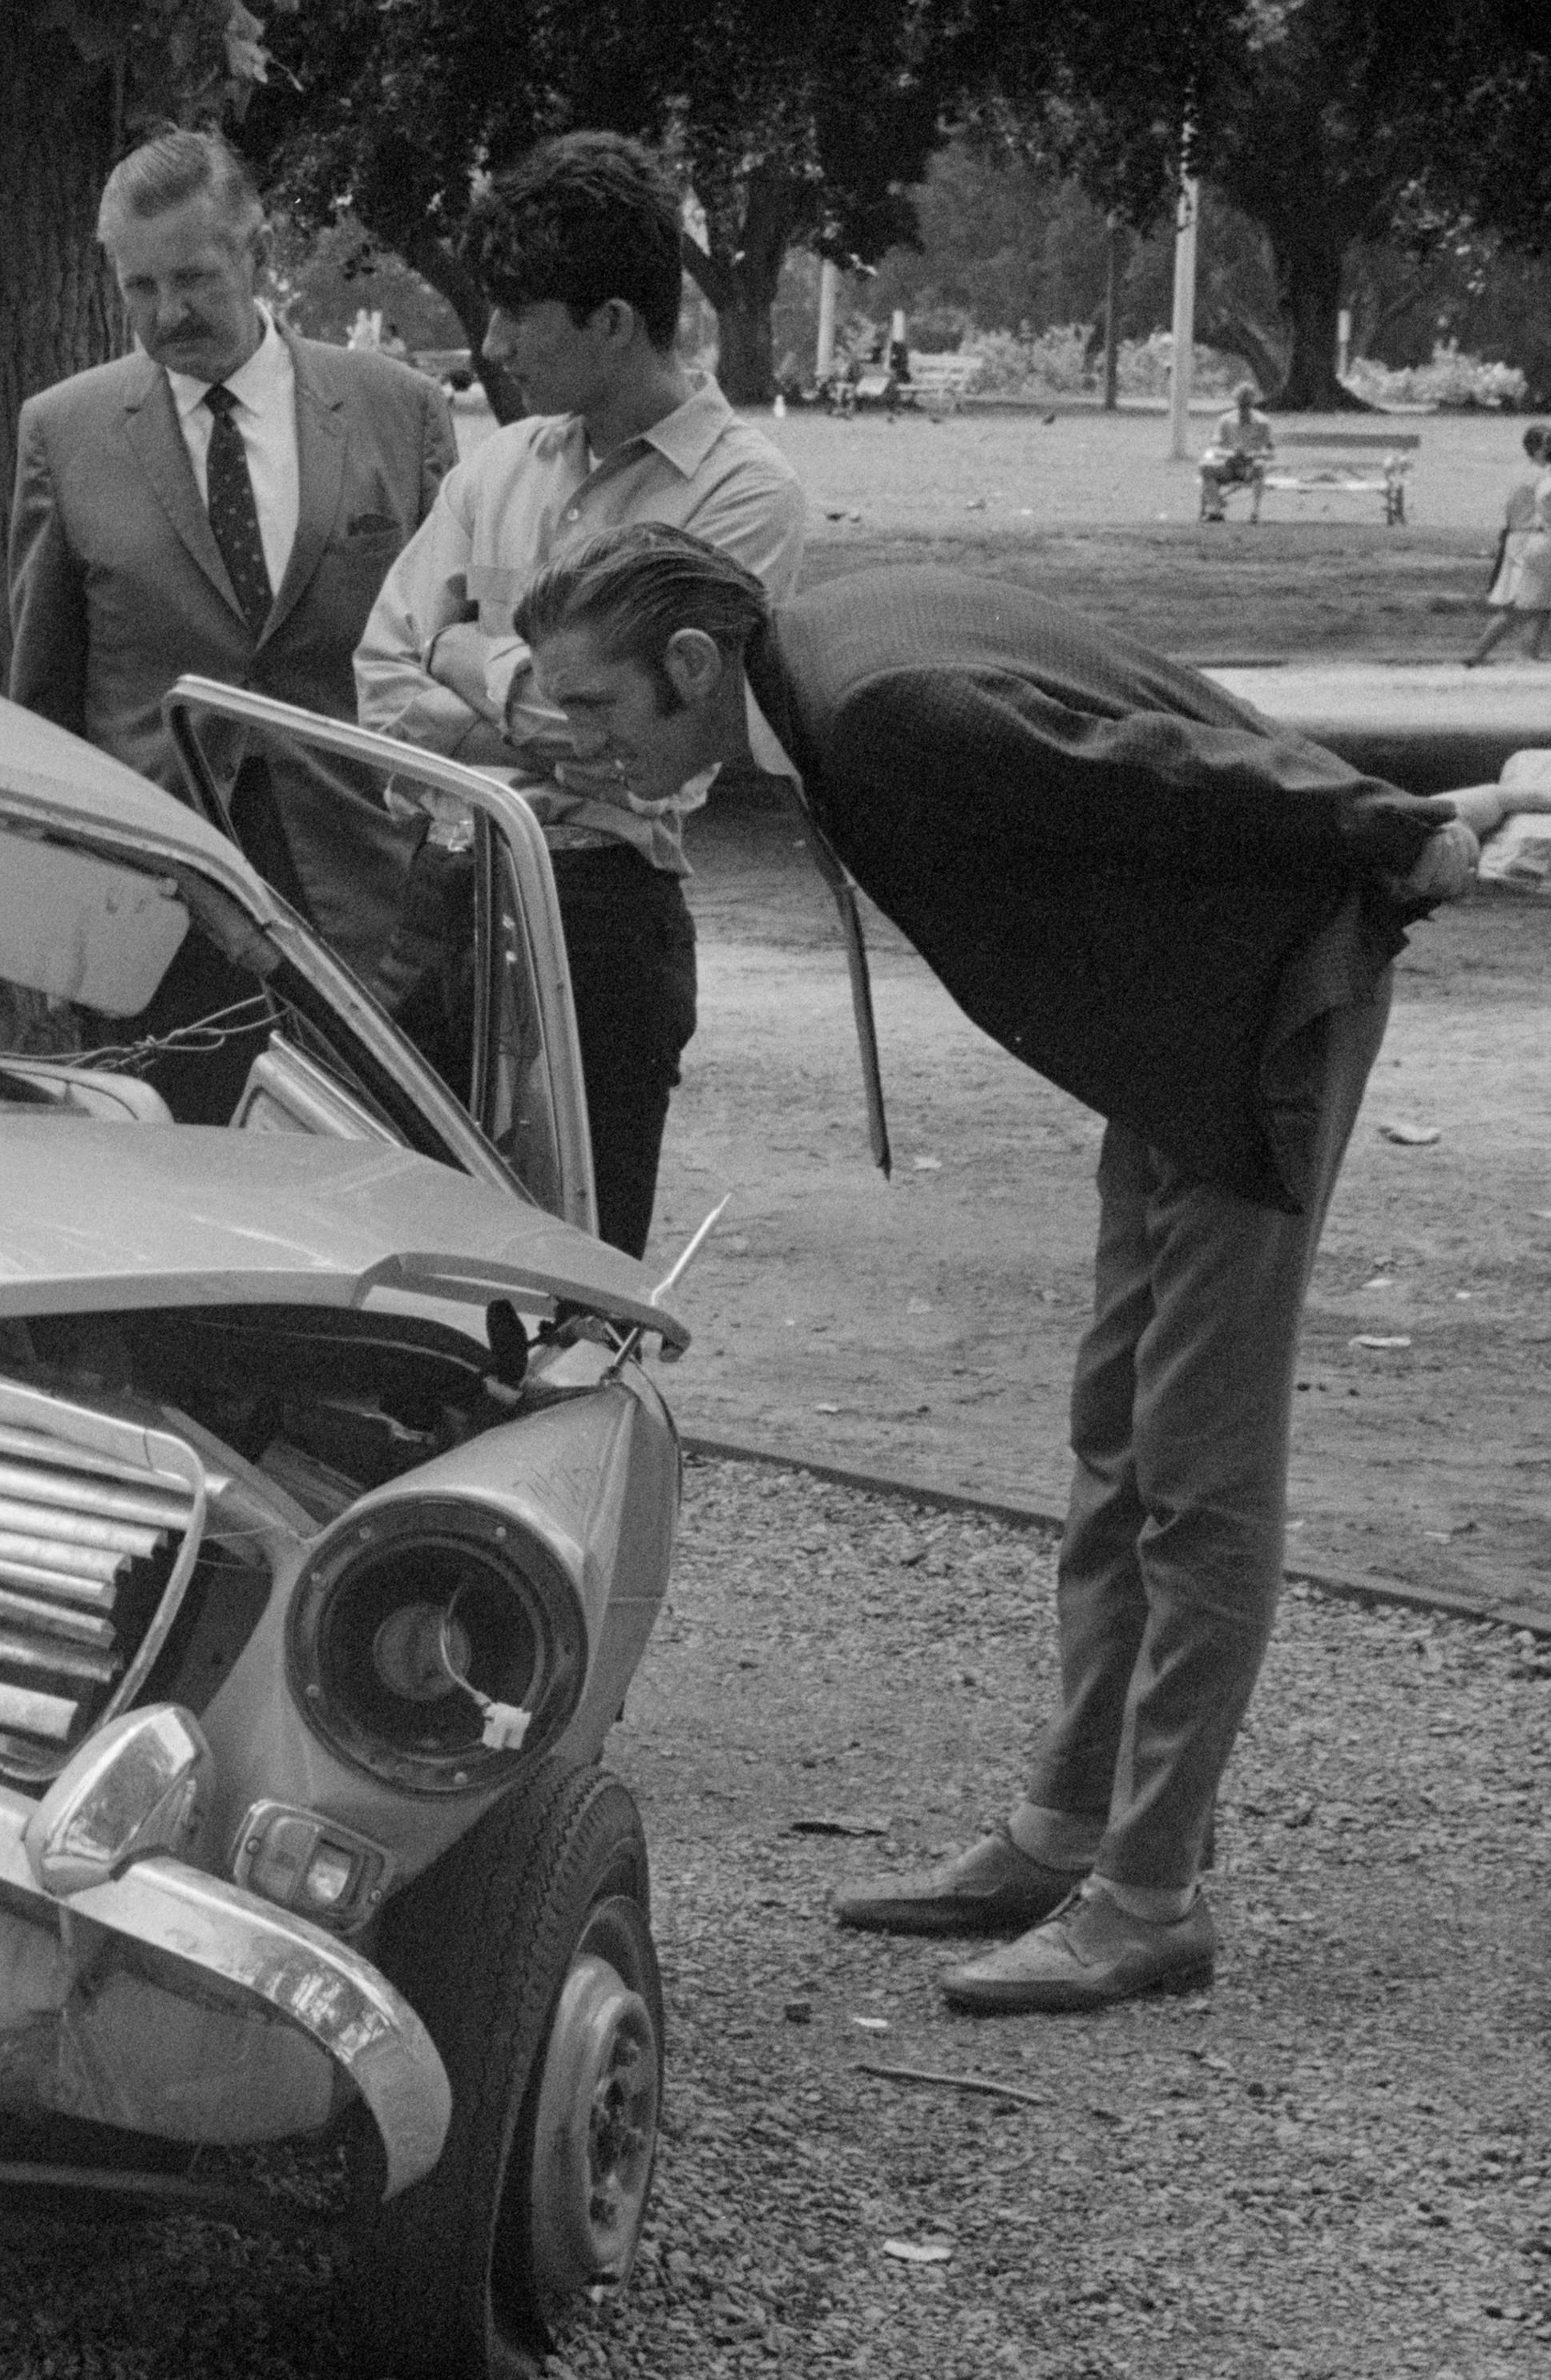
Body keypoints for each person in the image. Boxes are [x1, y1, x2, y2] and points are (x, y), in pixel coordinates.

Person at [519, 521, 1551, 2013]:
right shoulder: (825, 646)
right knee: (1116, 1427)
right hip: (1177, 1023)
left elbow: (1166, 760)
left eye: (593, 704)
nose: (575, 739)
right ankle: (1067, 1827)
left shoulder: (874, 704)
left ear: (690, 662)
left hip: (1264, 1006)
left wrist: (1392, 827)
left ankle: (1150, 1896)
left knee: (1197, 1460)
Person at [351, 132, 811, 1255]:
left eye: (519, 314)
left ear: (611, 322)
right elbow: (378, 682)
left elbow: (654, 745)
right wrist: (549, 716)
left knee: (573, 1261)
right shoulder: (499, 467)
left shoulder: (742, 496)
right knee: (395, 1236)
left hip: (599, 917)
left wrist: (464, 656)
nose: (494, 345)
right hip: (443, 897)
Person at [8, 127, 458, 1113]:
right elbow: (42, 703)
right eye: (137, 287)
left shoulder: (400, 412)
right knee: (178, 1179)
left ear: (258, 252)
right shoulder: (62, 432)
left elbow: (444, 647)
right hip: (154, 909)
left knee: (372, 1168)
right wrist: (54, 912)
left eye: (193, 279)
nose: (167, 313)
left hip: (366, 890)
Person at [1463, 422, 1551, 665]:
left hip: (1516, 537)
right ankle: (1513, 653)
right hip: (1529, 537)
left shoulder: (1520, 472)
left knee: (1535, 600)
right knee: (1522, 602)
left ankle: (1513, 653)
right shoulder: (1541, 476)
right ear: (1539, 449)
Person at [1197, 385, 1277, 520]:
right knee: (1205, 467)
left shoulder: (1262, 423)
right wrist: (1230, 455)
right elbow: (1215, 448)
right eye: (1241, 404)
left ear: (1252, 403)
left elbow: (1270, 453)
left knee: (1258, 466)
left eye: (1247, 404)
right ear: (1236, 402)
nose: (1244, 408)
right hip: (1229, 465)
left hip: (1249, 468)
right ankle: (1215, 511)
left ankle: (1255, 512)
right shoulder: (1225, 420)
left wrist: (1253, 456)